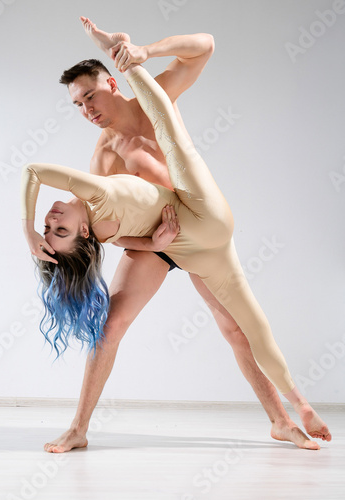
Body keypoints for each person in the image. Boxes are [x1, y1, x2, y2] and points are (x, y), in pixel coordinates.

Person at [21, 22, 331, 452]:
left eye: (90, 95)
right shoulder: (104, 156)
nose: (86, 109)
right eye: (76, 104)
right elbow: (104, 232)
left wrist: (146, 51)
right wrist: (155, 244)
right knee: (110, 328)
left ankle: (282, 421)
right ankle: (78, 429)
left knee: (236, 331)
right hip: (158, 242)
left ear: (112, 81)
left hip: (200, 230)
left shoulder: (156, 98)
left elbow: (204, 46)